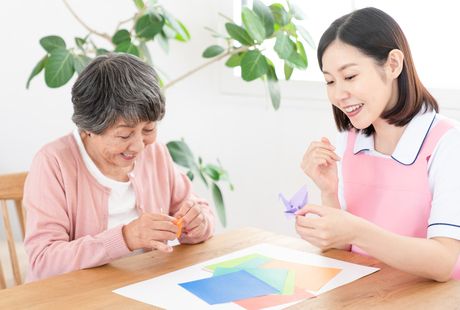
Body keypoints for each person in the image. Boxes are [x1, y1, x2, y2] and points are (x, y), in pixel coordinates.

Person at [296, 7, 460, 281]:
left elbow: (444, 262)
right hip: (367, 293)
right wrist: (329, 192)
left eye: (350, 77)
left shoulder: (447, 143)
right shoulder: (349, 139)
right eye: (329, 81)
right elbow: (343, 248)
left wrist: (356, 230)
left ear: (393, 64)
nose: (338, 94)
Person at [24, 53, 215, 282]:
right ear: (88, 129)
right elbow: (44, 261)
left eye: (148, 130)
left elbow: (198, 210)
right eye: (124, 134)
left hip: (143, 287)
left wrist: (198, 223)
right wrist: (126, 237)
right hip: (76, 298)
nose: (138, 146)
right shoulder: (53, 163)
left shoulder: (155, 153)